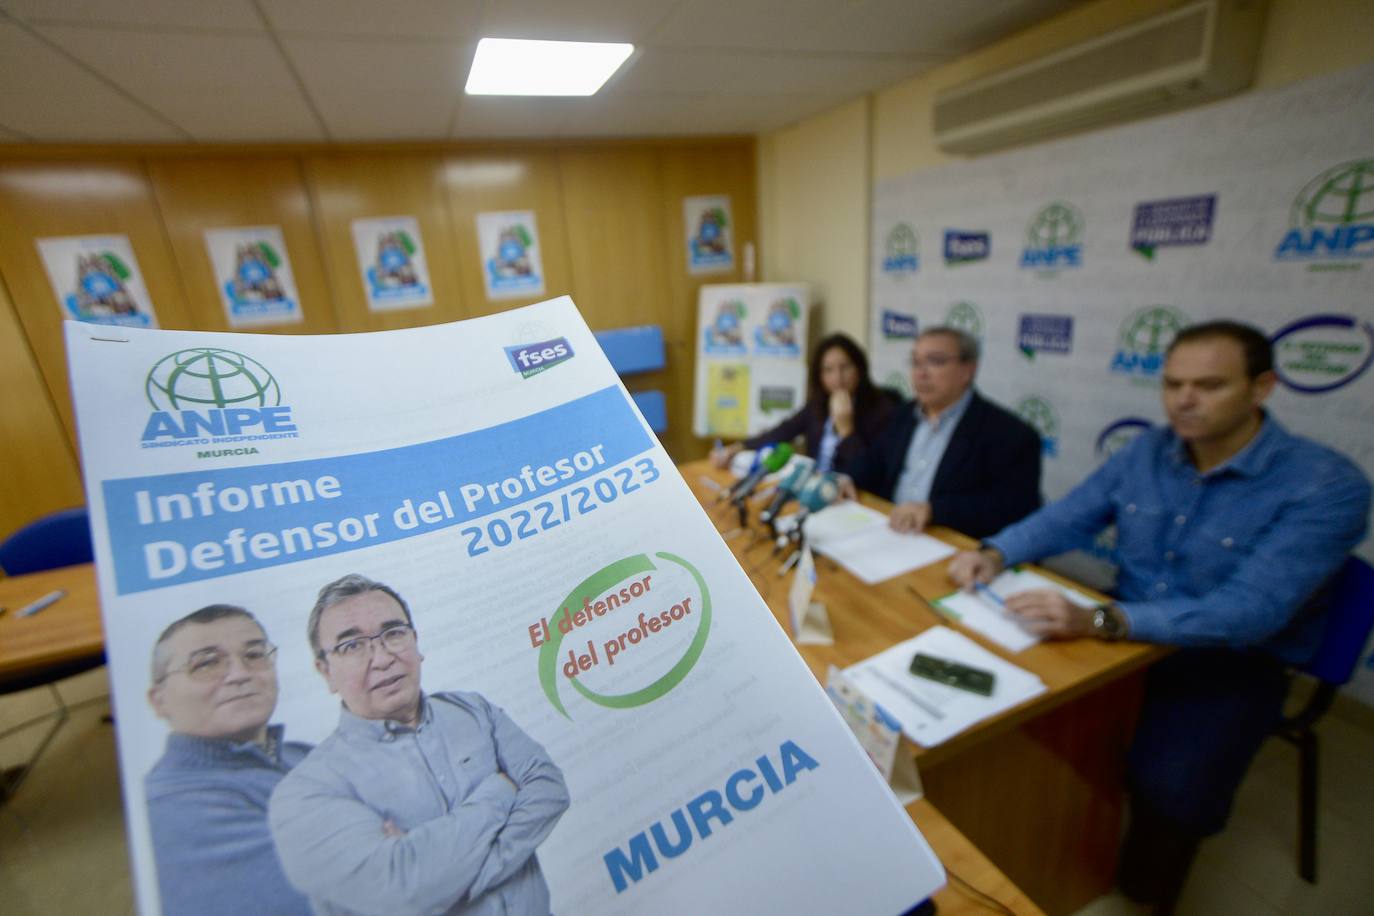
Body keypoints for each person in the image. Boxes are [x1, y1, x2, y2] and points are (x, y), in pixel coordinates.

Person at [946, 320, 1371, 912]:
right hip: (1123, 632)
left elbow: (1249, 613)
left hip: (1228, 660)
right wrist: (994, 551)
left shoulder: (1327, 485)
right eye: (1173, 384)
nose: (1184, 400)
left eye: (1209, 385)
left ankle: (1143, 894)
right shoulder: (1148, 449)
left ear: (1262, 388)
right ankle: (1049, 858)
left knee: (1171, 790)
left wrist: (1097, 621)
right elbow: (1069, 515)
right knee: (1005, 717)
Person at [269, 574, 569, 916]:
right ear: (325, 672)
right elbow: (404, 893)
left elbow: (549, 788)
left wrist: (449, 885)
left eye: (393, 633)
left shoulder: (472, 710)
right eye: (352, 646)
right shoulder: (306, 791)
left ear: (416, 641)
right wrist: (500, 791)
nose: (381, 658)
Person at [144, 604, 313, 916]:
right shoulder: (178, 806)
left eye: (254, 654)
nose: (240, 674)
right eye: (206, 663)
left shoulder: (302, 753)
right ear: (160, 701)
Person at [844, 326, 1042, 539]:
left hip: (949, 546)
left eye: (935, 361)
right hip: (891, 534)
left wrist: (934, 511)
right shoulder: (902, 414)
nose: (920, 373)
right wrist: (845, 478)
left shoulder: (1011, 435)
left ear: (967, 371)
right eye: (916, 362)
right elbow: (874, 461)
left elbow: (1010, 508)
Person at [710, 332, 900, 475]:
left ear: (859, 369)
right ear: (819, 375)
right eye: (828, 370)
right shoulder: (818, 404)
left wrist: (846, 431)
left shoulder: (882, 410)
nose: (838, 378)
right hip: (813, 491)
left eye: (845, 367)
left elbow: (870, 474)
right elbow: (782, 432)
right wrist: (737, 447)